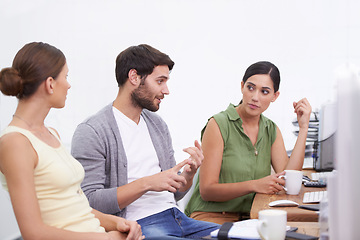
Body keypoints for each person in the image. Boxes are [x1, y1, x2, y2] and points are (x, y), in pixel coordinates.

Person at [71, 44, 220, 239]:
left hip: (178, 218)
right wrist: (147, 183)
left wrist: (188, 176)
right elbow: (90, 202)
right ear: (134, 77)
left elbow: (174, 194)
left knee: (241, 235)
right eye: (160, 81)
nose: (166, 90)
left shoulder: (157, 125)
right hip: (140, 225)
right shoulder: (92, 131)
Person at [0, 42, 143, 240]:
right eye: (65, 77)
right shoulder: (15, 143)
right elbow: (33, 233)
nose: (68, 84)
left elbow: (74, 207)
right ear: (50, 84)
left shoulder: (51, 134)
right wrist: (108, 238)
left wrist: (116, 222)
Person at [185, 61, 312, 224]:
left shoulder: (271, 129)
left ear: (275, 96)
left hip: (253, 217)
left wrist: (303, 128)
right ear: (242, 86)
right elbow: (207, 191)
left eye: (264, 92)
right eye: (250, 88)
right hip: (212, 216)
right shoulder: (218, 124)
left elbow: (289, 179)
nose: (255, 97)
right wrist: (255, 185)